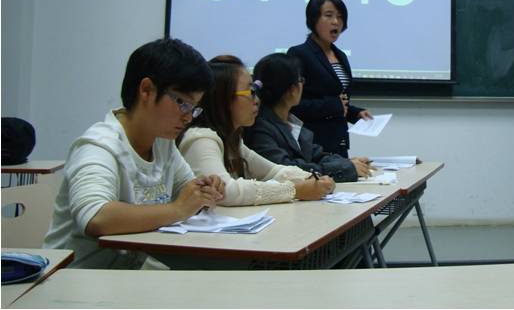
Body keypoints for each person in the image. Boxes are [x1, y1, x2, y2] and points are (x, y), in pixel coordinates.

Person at [43, 38, 225, 269]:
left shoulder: (162, 142)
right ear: (146, 90)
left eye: (194, 108)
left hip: (127, 272)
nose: (188, 117)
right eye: (182, 103)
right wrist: (178, 209)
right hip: (74, 278)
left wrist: (204, 191)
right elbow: (96, 217)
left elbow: (187, 189)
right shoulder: (99, 146)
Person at [177, 55, 335, 205]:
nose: (257, 100)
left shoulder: (232, 139)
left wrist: (313, 179)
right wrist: (294, 190)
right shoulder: (200, 138)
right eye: (251, 92)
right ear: (223, 98)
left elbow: (272, 171)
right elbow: (226, 191)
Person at [245, 53, 373, 182]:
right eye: (301, 80)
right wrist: (346, 167)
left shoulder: (291, 123)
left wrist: (347, 163)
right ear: (293, 89)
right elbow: (289, 170)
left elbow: (317, 155)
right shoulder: (261, 129)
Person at [287, 0, 372, 158]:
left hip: (339, 141)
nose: (336, 22)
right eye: (329, 15)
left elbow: (339, 100)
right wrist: (333, 106)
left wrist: (355, 113)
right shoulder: (299, 54)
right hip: (312, 143)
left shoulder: (340, 55)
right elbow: (292, 105)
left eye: (340, 17)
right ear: (313, 19)